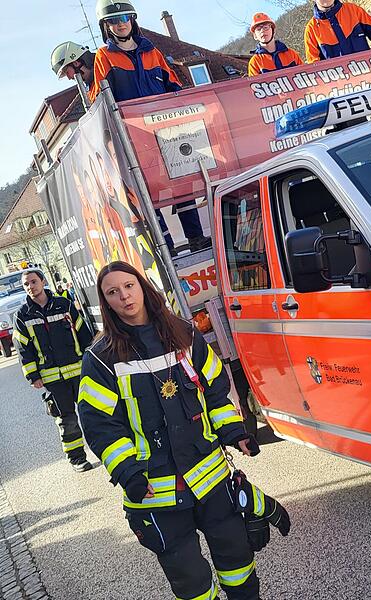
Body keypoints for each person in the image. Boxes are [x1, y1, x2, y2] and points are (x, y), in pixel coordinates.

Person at [78, 262, 289, 600]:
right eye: (112, 292)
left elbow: (215, 390)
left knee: (237, 563)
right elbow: (101, 425)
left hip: (211, 478)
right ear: (105, 302)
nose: (124, 296)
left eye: (128, 286)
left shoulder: (185, 333)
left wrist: (235, 431)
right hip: (155, 490)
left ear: (142, 287)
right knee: (191, 582)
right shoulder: (100, 358)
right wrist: (128, 472)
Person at [91, 1, 212, 253]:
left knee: (181, 181)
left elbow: (173, 86)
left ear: (133, 19)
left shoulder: (152, 52)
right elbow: (100, 99)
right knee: (146, 190)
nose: (121, 23)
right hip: (133, 136)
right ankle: (164, 243)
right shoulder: (104, 56)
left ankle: (195, 236)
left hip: (165, 130)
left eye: (125, 17)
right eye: (114, 20)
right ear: (106, 26)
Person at [12, 269, 93, 472]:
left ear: (43, 281)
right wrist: (33, 376)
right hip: (52, 378)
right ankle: (77, 459)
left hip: (79, 371)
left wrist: (91, 362)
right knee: (66, 420)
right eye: (26, 284)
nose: (30, 286)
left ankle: (107, 451)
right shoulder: (22, 315)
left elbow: (82, 331)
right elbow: (23, 347)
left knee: (93, 413)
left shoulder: (64, 305)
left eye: (33, 281)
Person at [304, 0, 371, 63]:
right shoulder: (311, 30)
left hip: (370, 77)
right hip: (342, 89)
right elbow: (314, 69)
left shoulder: (353, 11)